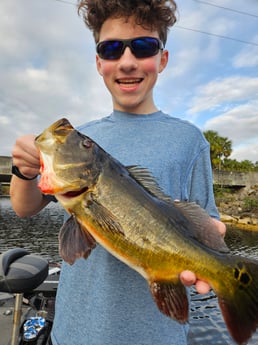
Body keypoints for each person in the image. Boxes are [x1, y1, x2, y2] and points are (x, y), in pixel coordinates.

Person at [10, 1, 226, 344]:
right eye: (111, 49)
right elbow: (24, 208)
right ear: (99, 63)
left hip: (158, 335)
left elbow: (207, 221)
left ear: (162, 59)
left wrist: (213, 249)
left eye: (143, 47)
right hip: (74, 332)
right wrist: (23, 170)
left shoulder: (190, 140)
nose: (127, 61)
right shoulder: (85, 137)